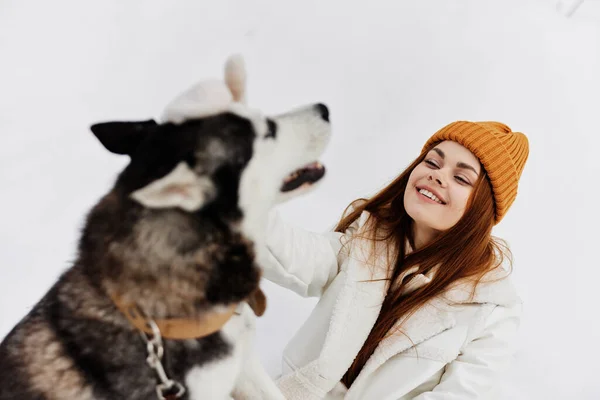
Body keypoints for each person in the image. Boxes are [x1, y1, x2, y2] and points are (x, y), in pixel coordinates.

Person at [261, 120, 529, 399]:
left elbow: (462, 394)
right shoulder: (366, 234)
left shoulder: (492, 307)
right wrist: (248, 208)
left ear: (483, 209)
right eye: (432, 163)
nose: (437, 176)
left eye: (461, 178)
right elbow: (298, 256)